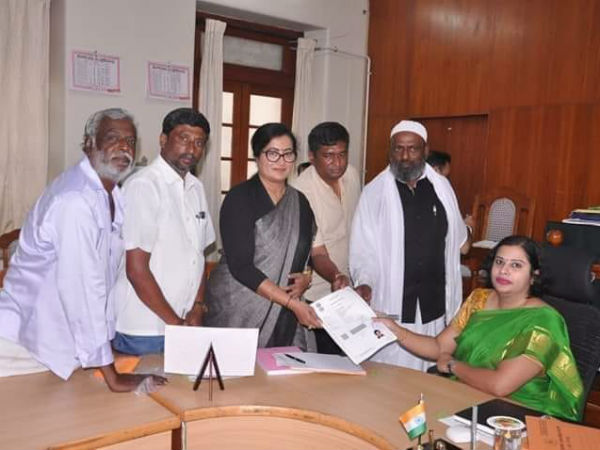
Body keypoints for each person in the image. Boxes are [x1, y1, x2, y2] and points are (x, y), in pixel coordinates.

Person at [0, 108, 165, 392]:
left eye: (130, 141)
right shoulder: (75, 200)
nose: (124, 147)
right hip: (23, 343)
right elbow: (82, 289)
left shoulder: (113, 196)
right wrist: (112, 375)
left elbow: (102, 282)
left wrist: (105, 352)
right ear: (89, 143)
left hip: (62, 345)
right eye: (112, 138)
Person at [375, 236, 584, 421]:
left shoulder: (544, 321)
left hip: (520, 414)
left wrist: (452, 366)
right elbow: (439, 347)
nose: (504, 270)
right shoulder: (479, 299)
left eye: (516, 265)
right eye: (499, 262)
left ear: (534, 275)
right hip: (469, 397)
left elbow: (500, 386)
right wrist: (395, 330)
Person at [349, 120, 471, 370]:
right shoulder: (374, 193)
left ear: (425, 150)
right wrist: (364, 282)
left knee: (431, 370)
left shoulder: (442, 188)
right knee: (390, 374)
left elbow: (459, 241)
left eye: (412, 148)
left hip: (434, 300)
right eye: (398, 148)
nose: (405, 156)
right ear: (390, 151)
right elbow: (363, 249)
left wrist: (469, 230)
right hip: (393, 301)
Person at [203, 123, 321, 349]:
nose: (281, 161)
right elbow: (241, 267)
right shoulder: (239, 199)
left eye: (288, 154)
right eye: (272, 153)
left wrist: (306, 277)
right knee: (239, 369)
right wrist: (291, 303)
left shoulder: (300, 202)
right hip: (240, 308)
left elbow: (307, 251)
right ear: (257, 157)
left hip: (285, 312)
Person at [112, 108, 215, 355]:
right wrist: (175, 324)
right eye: (184, 138)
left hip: (183, 323)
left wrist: (198, 306)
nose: (191, 149)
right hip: (144, 329)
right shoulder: (143, 186)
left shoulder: (196, 188)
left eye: (199, 142)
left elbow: (198, 256)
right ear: (163, 139)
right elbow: (136, 270)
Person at [292, 122, 361, 354]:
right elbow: (317, 252)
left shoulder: (352, 175)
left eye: (342, 154)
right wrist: (336, 276)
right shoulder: (301, 192)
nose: (337, 163)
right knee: (326, 359)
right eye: (328, 156)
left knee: (354, 356)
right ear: (312, 156)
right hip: (319, 294)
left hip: (352, 288)